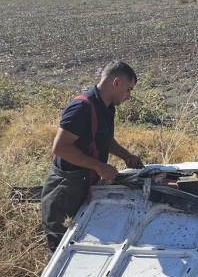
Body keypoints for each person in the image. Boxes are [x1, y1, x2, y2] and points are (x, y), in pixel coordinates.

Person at [40, 61, 144, 252]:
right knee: (63, 251)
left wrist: (126, 156)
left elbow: (104, 139)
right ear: (116, 83)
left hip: (86, 184)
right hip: (66, 191)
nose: (129, 96)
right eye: (128, 90)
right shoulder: (81, 108)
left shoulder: (106, 107)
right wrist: (99, 166)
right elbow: (61, 147)